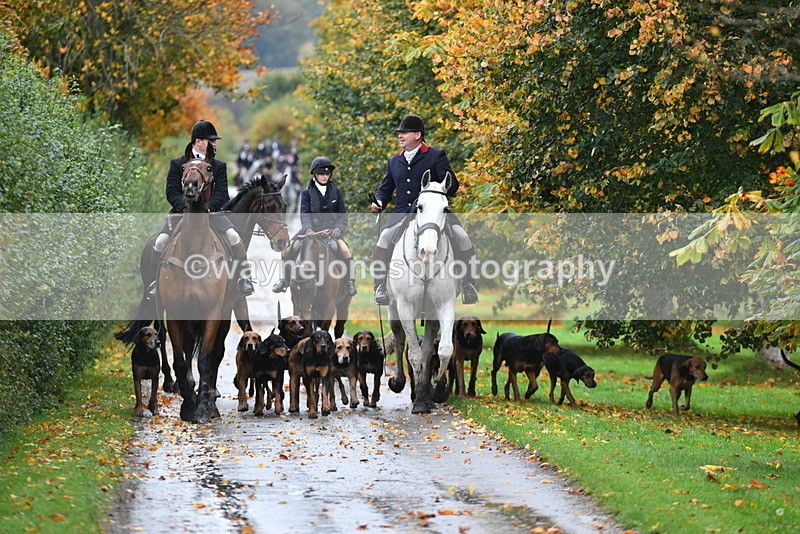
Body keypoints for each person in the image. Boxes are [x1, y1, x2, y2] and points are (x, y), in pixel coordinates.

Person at [370, 114, 478, 305]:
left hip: (433, 212)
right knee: (384, 237)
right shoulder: (394, 161)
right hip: (404, 213)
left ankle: (469, 284)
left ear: (418, 135)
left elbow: (451, 183)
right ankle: (380, 286)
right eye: (399, 133)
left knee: (462, 236)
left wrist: (439, 191)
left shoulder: (436, 155)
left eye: (405, 132)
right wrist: (379, 201)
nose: (400, 136)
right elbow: (386, 188)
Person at [148, 119, 254, 299]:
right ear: (198, 142)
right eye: (211, 141)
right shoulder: (178, 163)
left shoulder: (219, 166)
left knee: (234, 238)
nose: (215, 144)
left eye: (215, 141)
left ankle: (242, 279)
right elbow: (172, 191)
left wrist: (207, 209)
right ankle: (155, 283)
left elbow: (221, 193)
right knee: (159, 242)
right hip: (182, 214)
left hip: (211, 214)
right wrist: (185, 207)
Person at [272, 156, 358, 296]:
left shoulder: (336, 192)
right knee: (287, 249)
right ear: (315, 175)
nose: (324, 177)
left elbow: (342, 215)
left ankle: (349, 283)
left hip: (331, 232)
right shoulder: (306, 193)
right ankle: (284, 280)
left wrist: (338, 228)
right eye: (321, 174)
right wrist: (309, 229)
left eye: (327, 174)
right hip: (311, 231)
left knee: (345, 250)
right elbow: (304, 214)